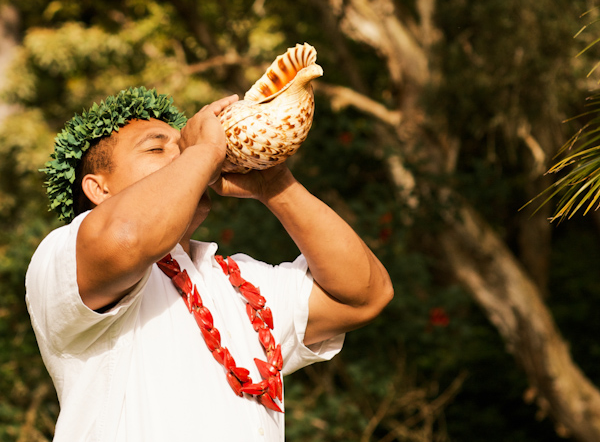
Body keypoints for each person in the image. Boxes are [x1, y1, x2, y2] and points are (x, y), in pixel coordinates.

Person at [26, 85, 394, 441]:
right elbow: (126, 238)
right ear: (98, 189)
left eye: (184, 144)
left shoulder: (239, 282)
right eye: (157, 147)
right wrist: (201, 150)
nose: (185, 152)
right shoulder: (62, 255)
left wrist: (275, 184)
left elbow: (363, 296)